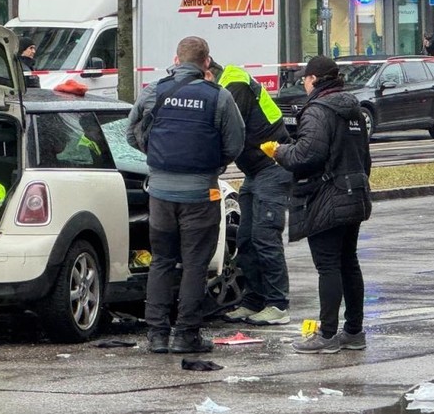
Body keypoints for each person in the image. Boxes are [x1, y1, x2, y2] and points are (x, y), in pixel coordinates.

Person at [126, 36, 245, 354]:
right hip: (201, 194)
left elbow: (131, 131)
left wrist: (155, 154)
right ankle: (186, 335)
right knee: (195, 264)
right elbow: (235, 143)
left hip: (161, 194)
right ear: (207, 62)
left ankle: (157, 335)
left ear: (176, 60)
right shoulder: (218, 97)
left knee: (161, 261)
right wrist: (213, 164)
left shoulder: (154, 91)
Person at [260, 55, 372, 354]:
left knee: (328, 267)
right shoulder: (354, 110)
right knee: (349, 262)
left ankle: (327, 334)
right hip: (354, 193)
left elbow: (305, 156)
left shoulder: (318, 111)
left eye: (305, 80)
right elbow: (364, 157)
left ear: (313, 80)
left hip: (326, 196)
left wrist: (280, 151)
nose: (304, 84)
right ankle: (354, 330)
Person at [205, 60, 294, 327]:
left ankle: (278, 304)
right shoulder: (225, 84)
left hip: (272, 167)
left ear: (208, 69)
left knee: (265, 237)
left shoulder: (233, 84)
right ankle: (254, 301)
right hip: (256, 171)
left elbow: (230, 133)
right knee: (246, 239)